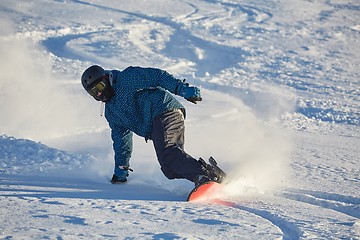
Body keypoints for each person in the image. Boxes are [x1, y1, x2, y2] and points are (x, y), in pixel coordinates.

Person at [81, 65, 225, 186]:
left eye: (100, 86)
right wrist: (121, 169)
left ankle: (206, 176)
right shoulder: (111, 113)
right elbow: (121, 141)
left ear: (107, 79)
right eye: (93, 92)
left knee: (169, 154)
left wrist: (181, 89)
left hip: (164, 110)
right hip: (157, 126)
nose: (99, 93)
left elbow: (157, 76)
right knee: (169, 168)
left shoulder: (126, 78)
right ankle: (208, 175)